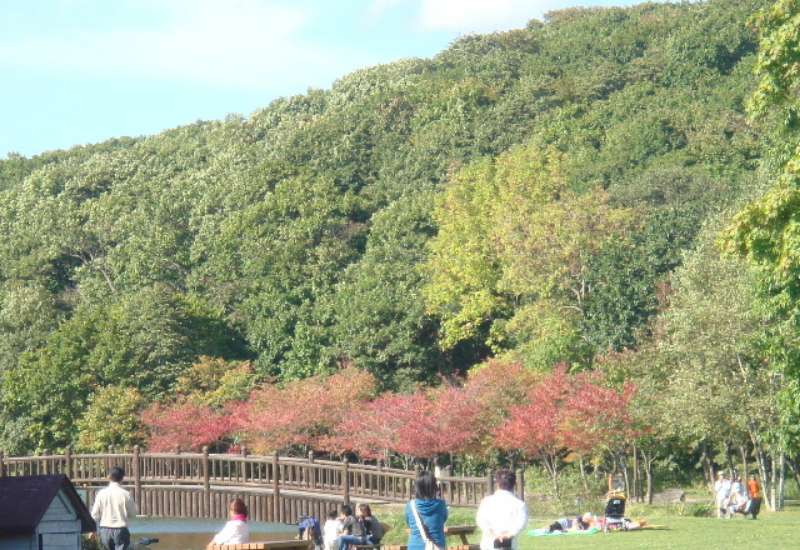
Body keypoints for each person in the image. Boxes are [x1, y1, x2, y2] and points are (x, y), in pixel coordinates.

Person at [476, 469, 527, 550]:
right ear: (514, 484)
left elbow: (481, 521)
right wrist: (509, 534)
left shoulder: (486, 501)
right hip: (510, 545)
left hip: (488, 545)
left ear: (497, 484)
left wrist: (493, 533)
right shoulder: (519, 504)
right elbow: (521, 524)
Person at [91, 466, 138, 550]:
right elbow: (133, 514)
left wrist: (92, 530)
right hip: (121, 529)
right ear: (122, 478)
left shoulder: (101, 493)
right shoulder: (126, 494)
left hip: (104, 529)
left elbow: (94, 515)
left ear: (109, 477)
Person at [405, 470, 448, 550]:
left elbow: (409, 524)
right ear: (434, 487)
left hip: (415, 546)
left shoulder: (410, 506)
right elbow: (444, 519)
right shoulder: (441, 505)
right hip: (436, 546)